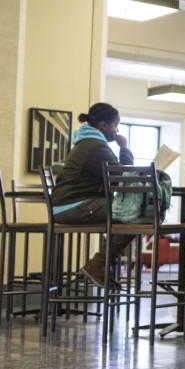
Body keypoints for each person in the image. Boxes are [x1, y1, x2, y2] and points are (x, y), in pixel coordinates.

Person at [51, 102, 135, 287]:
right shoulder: (96, 147)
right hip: (74, 207)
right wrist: (125, 148)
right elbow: (124, 177)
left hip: (68, 205)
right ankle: (98, 265)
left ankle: (101, 266)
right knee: (136, 213)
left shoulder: (87, 143)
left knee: (130, 212)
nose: (117, 130)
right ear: (104, 125)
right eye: (115, 125)